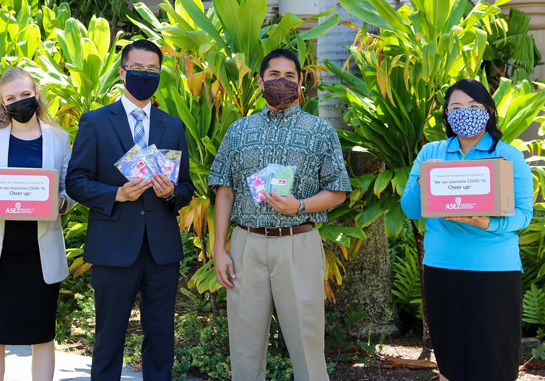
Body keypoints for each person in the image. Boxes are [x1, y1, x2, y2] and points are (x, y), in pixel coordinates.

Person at [208, 48, 352, 381]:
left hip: (298, 242)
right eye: (274, 75)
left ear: (301, 83)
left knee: (307, 342)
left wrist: (298, 205)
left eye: (290, 76)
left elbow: (339, 190)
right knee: (244, 346)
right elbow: (224, 190)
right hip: (247, 244)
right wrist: (219, 249)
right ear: (259, 81)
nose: (282, 82)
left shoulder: (320, 131)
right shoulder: (239, 131)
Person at [65, 39, 194, 381]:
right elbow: (75, 181)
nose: (144, 75)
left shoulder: (173, 126)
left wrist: (172, 195)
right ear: (122, 72)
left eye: (152, 70)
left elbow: (187, 188)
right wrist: (116, 194)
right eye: (137, 68)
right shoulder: (95, 122)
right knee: (108, 336)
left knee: (162, 336)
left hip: (161, 249)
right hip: (113, 247)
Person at [401, 78, 533, 381]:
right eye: (456, 107)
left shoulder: (508, 156)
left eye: (474, 106)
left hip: (495, 270)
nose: (465, 112)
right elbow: (409, 209)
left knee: (495, 358)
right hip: (442, 267)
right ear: (447, 115)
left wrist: (490, 223)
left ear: (488, 110)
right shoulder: (431, 154)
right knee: (452, 357)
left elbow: (524, 214)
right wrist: (425, 179)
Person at [0, 67, 74, 381]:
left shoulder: (59, 139)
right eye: (11, 98)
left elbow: (67, 191)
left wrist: (60, 203)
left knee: (42, 336)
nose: (19, 101)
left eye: (25, 94)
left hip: (40, 255)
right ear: (2, 103)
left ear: (36, 94)